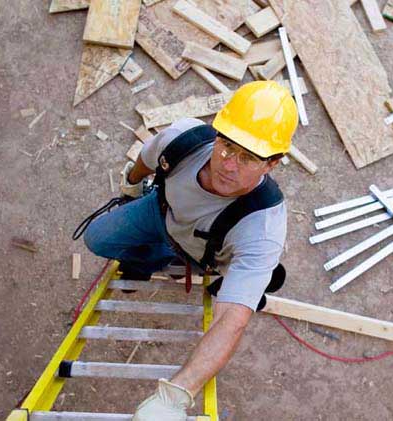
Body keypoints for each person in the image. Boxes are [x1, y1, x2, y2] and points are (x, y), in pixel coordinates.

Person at [82, 81, 298, 420]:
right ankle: (158, 255)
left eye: (248, 158)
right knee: (97, 239)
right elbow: (145, 160)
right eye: (226, 146)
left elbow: (232, 319)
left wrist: (176, 394)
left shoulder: (262, 227)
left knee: (233, 286)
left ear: (272, 163)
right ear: (217, 131)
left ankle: (181, 261)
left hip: (206, 253)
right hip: (161, 211)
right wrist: (132, 185)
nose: (229, 165)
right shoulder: (183, 140)